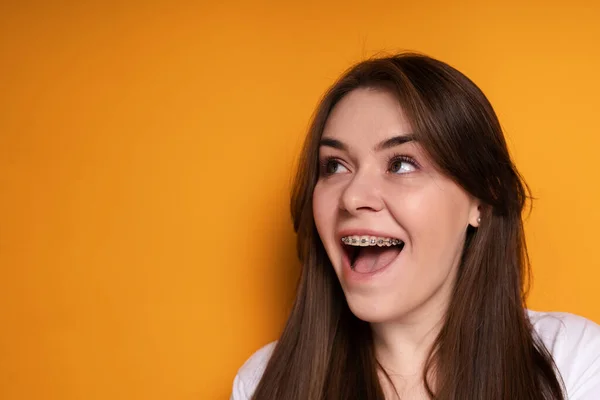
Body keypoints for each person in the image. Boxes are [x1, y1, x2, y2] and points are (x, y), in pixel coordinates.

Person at [230, 53, 600, 399]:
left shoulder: (575, 362)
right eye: (335, 166)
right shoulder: (262, 381)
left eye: (401, 164)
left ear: (481, 201)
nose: (352, 197)